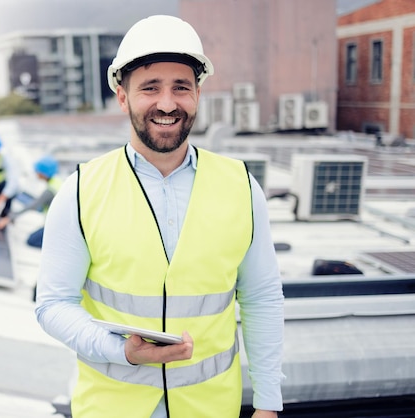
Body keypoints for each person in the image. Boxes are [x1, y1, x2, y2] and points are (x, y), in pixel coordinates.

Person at [35, 15, 284, 418]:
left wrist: (269, 403)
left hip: (210, 409)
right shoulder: (80, 191)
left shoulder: (241, 186)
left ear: (198, 94)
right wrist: (123, 352)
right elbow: (53, 305)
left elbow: (262, 298)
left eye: (181, 88)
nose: (167, 104)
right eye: (150, 88)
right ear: (122, 96)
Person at [0, 155, 62, 248]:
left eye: (37, 171)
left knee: (31, 241)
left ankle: (58, 245)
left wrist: (10, 218)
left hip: (57, 226)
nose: (36, 173)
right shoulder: (57, 182)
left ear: (43, 173)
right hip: (58, 221)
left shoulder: (50, 191)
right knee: (23, 197)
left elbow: (34, 205)